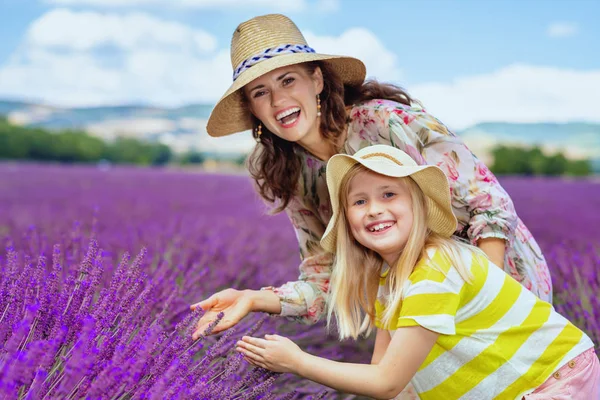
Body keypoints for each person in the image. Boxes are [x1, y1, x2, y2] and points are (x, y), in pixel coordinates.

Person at [192, 13, 552, 339]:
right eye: (261, 92)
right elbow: (325, 280)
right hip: (419, 305)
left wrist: (487, 294)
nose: (277, 100)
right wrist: (253, 298)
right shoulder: (296, 176)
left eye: (288, 81)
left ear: (316, 80)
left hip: (498, 278)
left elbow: (488, 204)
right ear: (253, 109)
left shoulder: (384, 123)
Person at [235, 145, 599, 399]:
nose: (374, 209)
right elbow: (383, 370)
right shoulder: (386, 283)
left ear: (419, 207)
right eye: (359, 202)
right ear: (347, 222)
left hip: (554, 383)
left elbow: (385, 382)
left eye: (389, 194)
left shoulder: (436, 268)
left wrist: (297, 361)